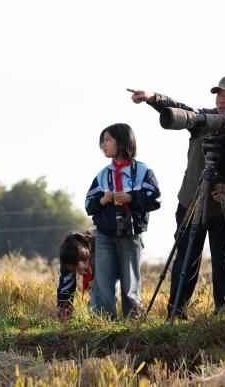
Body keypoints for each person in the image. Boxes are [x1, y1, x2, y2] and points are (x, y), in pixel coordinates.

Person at [128, 76, 225, 319]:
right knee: (186, 257)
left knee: (222, 263)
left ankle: (224, 315)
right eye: (219, 95)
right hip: (191, 201)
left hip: (224, 204)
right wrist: (151, 98)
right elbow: (181, 111)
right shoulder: (203, 119)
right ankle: (176, 312)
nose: (222, 100)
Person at [85, 123, 161, 320]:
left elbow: (156, 199)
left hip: (131, 234)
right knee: (103, 281)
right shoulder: (102, 175)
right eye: (102, 141)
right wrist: (103, 200)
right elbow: (88, 204)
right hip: (104, 235)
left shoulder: (143, 171)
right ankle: (103, 322)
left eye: (108, 140)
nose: (103, 144)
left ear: (122, 142)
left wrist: (131, 198)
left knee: (130, 282)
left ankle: (132, 323)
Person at [56, 231, 95, 320]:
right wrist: (64, 310)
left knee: (98, 293)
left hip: (107, 271)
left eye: (77, 269)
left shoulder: (98, 251)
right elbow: (65, 287)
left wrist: (96, 280)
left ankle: (105, 319)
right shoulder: (67, 259)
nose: (78, 273)